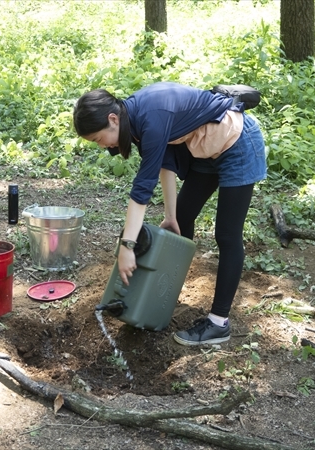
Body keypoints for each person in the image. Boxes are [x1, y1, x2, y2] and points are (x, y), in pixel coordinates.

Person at [73, 82, 267, 346]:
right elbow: (165, 163)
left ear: (112, 119)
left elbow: (142, 190)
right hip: (205, 152)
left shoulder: (150, 116)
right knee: (182, 220)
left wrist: (127, 246)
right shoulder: (135, 120)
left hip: (237, 144)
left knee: (227, 235)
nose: (100, 146)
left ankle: (218, 323)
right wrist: (171, 215)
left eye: (98, 139)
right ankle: (164, 295)